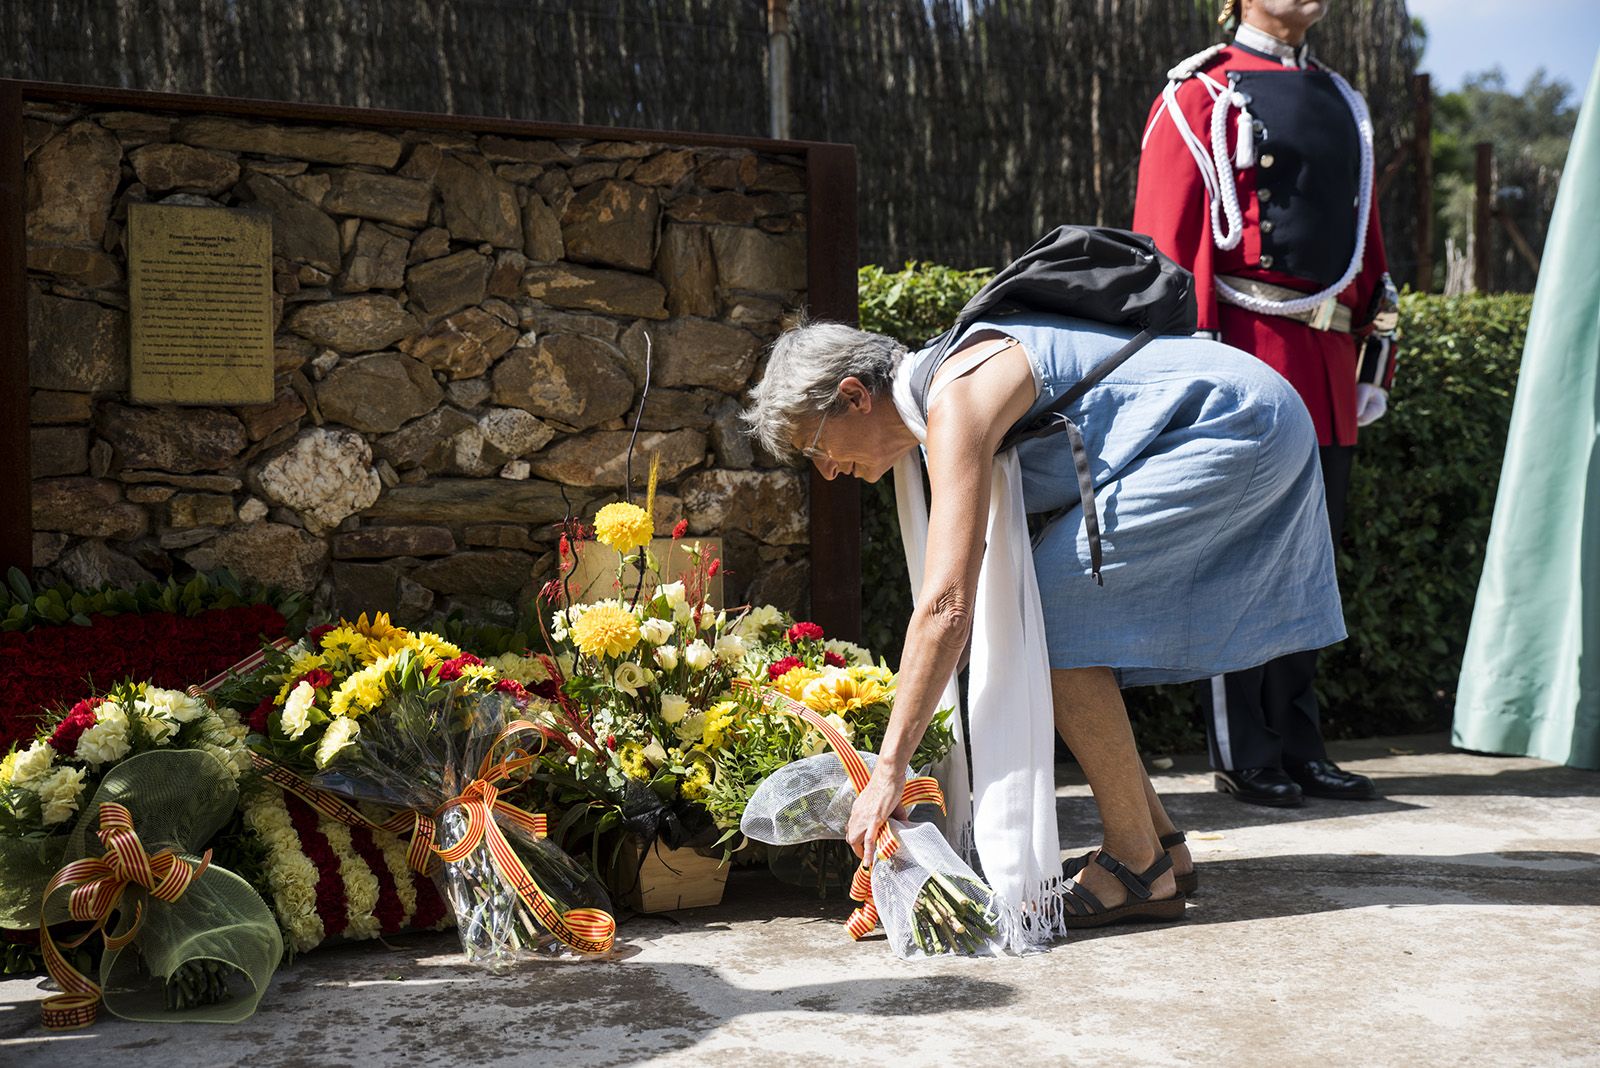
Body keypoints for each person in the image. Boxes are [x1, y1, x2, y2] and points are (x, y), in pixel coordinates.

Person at [741, 307, 1345, 933]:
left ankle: (1137, 866)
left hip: (1235, 422)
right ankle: (1159, 844)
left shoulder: (957, 400)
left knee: (1050, 612)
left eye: (815, 447)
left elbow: (947, 607)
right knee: (1048, 606)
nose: (828, 471)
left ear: (854, 396)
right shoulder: (944, 388)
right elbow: (967, 597)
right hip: (1248, 409)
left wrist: (889, 770)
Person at [1132, 0, 1400, 807]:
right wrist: (1193, 369)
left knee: (1313, 565)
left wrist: (1372, 357)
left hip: (1324, 360)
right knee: (1241, 562)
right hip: (1246, 353)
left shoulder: (1343, 100)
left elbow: (1364, 241)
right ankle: (1245, 749)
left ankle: (1301, 743)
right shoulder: (1199, 95)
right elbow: (1166, 249)